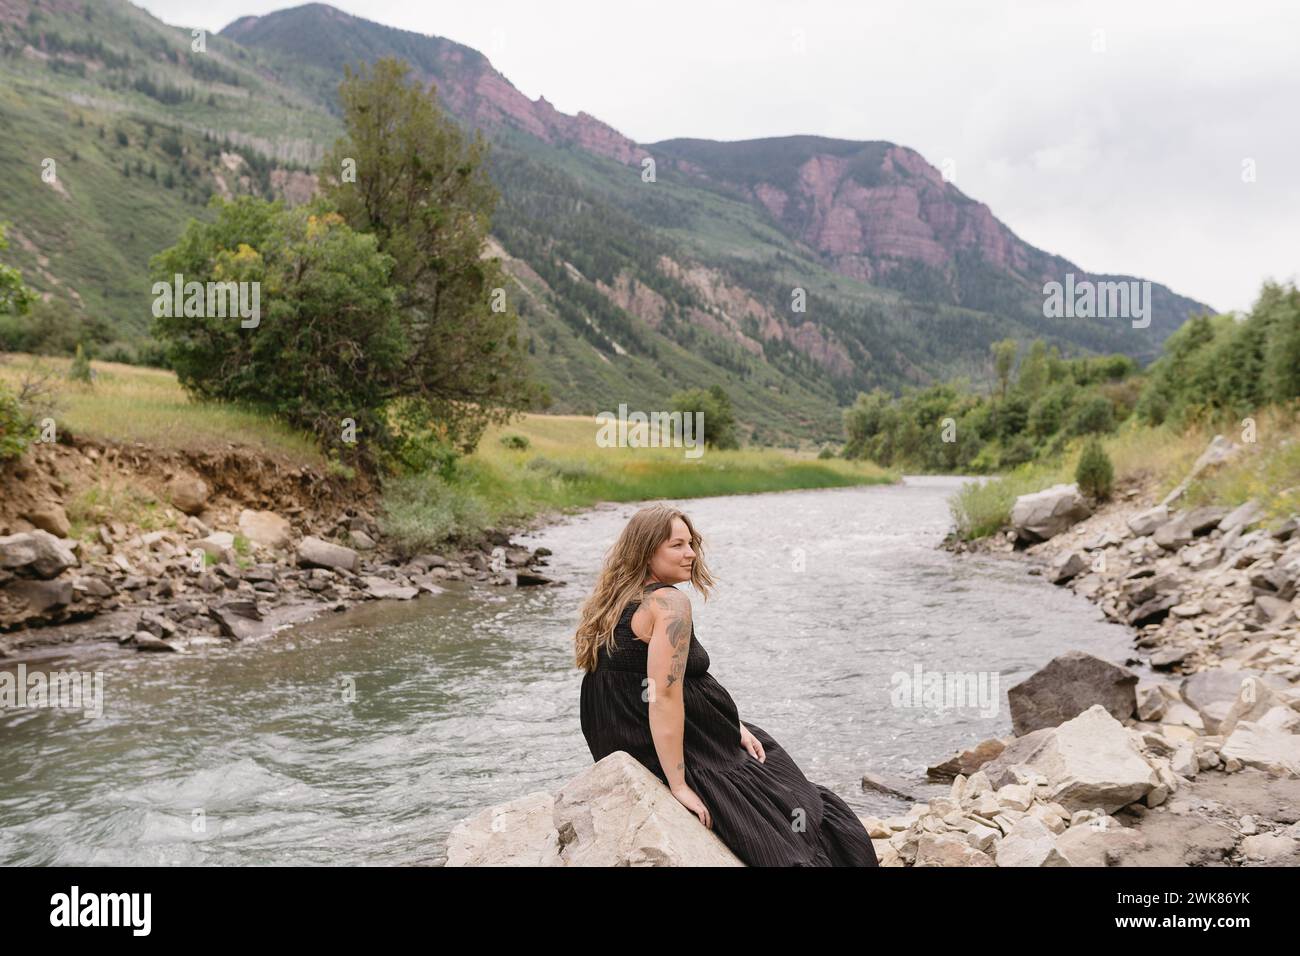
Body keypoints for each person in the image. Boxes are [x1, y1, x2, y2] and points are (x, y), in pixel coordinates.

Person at [574, 503, 880, 867]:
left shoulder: (614, 601)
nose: (690, 554)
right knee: (789, 807)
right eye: (677, 545)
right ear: (645, 550)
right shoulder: (669, 603)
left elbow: (651, 685)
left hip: (634, 733)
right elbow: (664, 696)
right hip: (672, 745)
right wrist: (678, 785)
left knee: (761, 749)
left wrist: (731, 724)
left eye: (691, 543)